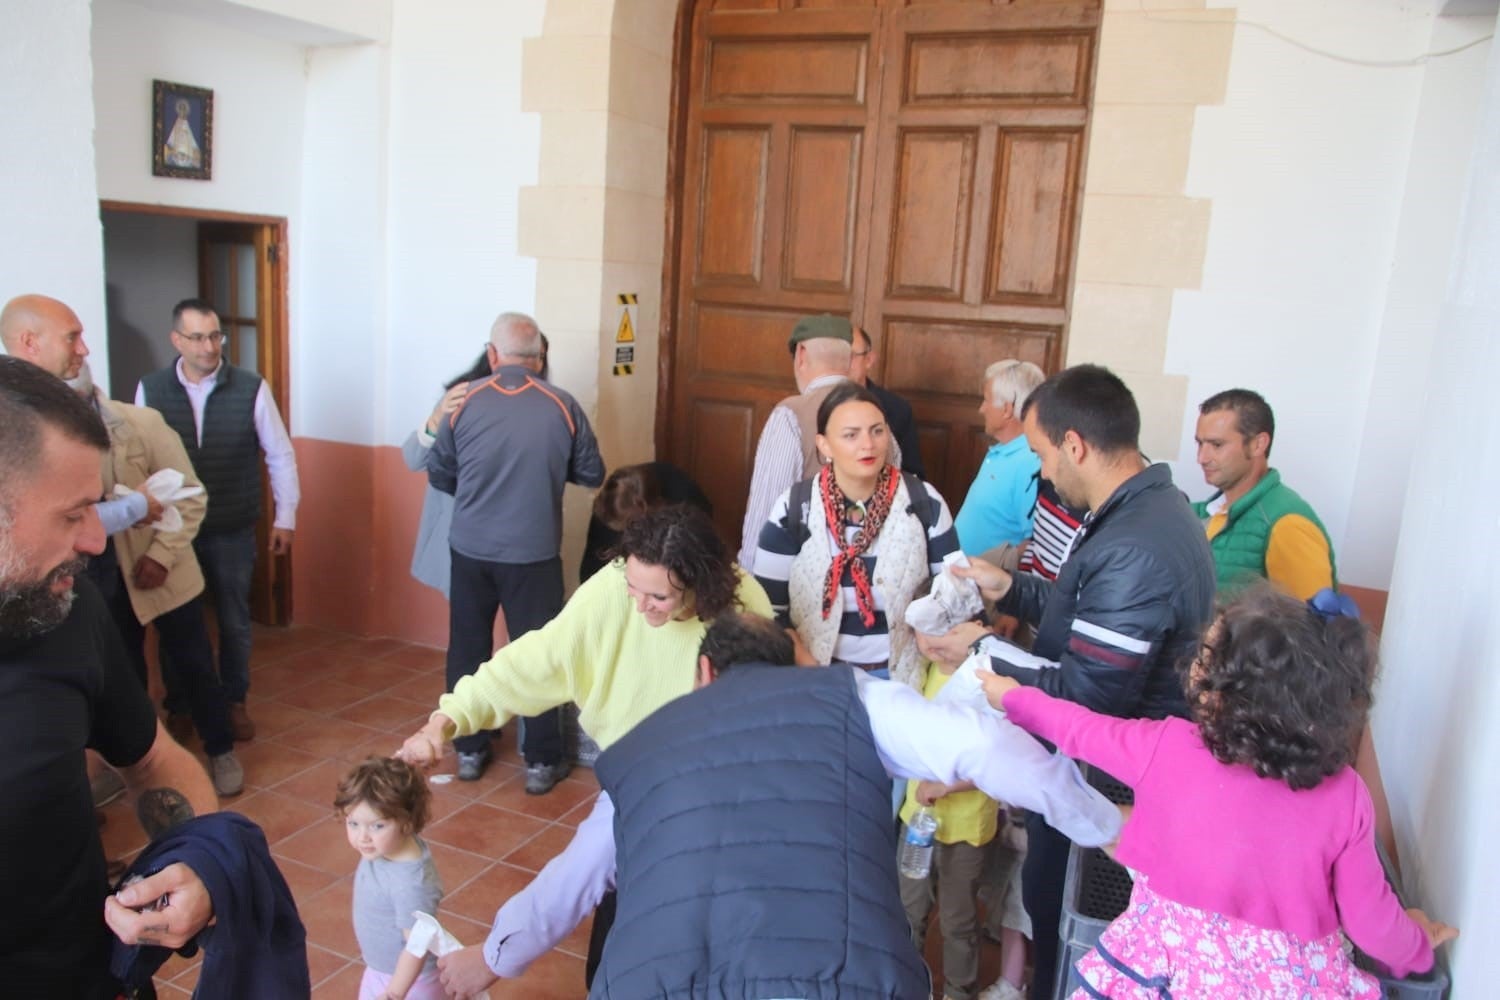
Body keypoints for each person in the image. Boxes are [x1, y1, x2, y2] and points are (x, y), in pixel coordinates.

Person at [436, 613, 1124, 1000]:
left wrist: (491, 958)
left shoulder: (645, 747)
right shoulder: (852, 698)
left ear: (703, 673)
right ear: (795, 665)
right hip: (851, 981)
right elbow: (988, 749)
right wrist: (1112, 831)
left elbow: (572, 879)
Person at [980, 587, 1457, 997]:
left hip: (1162, 975)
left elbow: (1080, 729)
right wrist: (1415, 943)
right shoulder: (1346, 794)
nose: (1194, 672)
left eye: (1207, 661)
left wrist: (1012, 697)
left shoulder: (1166, 745)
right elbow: (1374, 926)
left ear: (1223, 691)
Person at [919, 364, 1216, 1000]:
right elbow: (1090, 611)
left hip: (1107, 774)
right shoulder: (1152, 504)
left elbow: (1090, 695)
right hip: (1116, 762)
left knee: (1060, 923)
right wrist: (1012, 589)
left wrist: (985, 650)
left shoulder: (1136, 545)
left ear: (1075, 444)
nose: (1044, 473)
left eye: (1043, 454)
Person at [396, 504, 773, 992]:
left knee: (680, 932)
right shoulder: (613, 591)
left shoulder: (745, 608)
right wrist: (444, 722)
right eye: (633, 589)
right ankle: (521, 960)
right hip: (635, 778)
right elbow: (533, 660)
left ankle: (497, 957)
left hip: (716, 789)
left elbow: (768, 711)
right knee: (597, 888)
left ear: (702, 583)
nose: (640, 607)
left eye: (658, 597)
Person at [0, 355, 221, 996]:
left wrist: (200, 862)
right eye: (73, 516)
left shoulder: (64, 605)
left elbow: (151, 758)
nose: (96, 542)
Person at [426, 313, 603, 788]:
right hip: (534, 554)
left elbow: (439, 472)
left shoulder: (464, 402)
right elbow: (592, 473)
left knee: (467, 646)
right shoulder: (562, 405)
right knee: (539, 653)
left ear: (492, 354)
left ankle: (467, 749)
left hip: (470, 550)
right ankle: (542, 761)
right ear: (539, 358)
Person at [69, 361, 244, 797]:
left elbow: (190, 494)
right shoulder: (47, 439)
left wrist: (162, 555)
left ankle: (220, 748)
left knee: (195, 664)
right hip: (97, 578)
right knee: (121, 677)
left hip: (163, 570)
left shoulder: (139, 422)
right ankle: (128, 762)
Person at [137, 297, 301, 742]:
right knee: (177, 621)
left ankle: (234, 701)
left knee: (233, 620)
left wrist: (284, 518)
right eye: (198, 337)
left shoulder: (250, 386)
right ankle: (182, 705)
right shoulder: (150, 389)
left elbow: (279, 454)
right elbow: (139, 461)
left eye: (215, 336)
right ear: (176, 340)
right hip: (172, 532)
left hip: (231, 527)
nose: (210, 346)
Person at [753, 380, 960, 691]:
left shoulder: (922, 502)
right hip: (815, 680)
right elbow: (768, 609)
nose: (868, 444)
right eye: (851, 435)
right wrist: (813, 674)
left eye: (877, 431)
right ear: (824, 445)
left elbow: (953, 595)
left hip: (900, 683)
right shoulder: (796, 507)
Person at [0, 294, 163, 537]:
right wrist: (136, 506)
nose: (83, 349)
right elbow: (52, 519)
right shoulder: (15, 416)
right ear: (30, 343)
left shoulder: (46, 406)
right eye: (71, 337)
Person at [403, 337, 551, 597]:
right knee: (467, 625)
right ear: (493, 356)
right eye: (517, 356)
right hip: (463, 531)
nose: (527, 365)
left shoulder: (546, 403)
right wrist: (437, 418)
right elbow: (414, 458)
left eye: (536, 357)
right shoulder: (460, 397)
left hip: (518, 534)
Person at [898, 657, 1002, 1000]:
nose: (932, 645)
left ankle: (959, 991)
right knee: (908, 912)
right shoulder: (918, 670)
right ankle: (907, 986)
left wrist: (945, 787)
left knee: (958, 920)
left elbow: (1000, 758)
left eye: (945, 634)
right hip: (917, 818)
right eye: (925, 635)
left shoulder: (990, 680)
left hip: (967, 825)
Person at [1193, 387, 1336, 600]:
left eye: (1216, 445)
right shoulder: (1209, 511)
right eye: (1200, 443)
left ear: (1258, 444)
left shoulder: (1287, 522)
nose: (1202, 458)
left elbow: (1308, 626)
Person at [738, 313, 854, 570]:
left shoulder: (790, 415)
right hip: (868, 585)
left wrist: (747, 580)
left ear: (801, 354)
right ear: (849, 360)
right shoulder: (880, 420)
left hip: (802, 580)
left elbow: (766, 510)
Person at [335, 757, 446, 1000]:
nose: (362, 837)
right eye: (353, 823)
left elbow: (417, 945)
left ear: (407, 822)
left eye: (377, 826)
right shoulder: (385, 847)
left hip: (409, 983)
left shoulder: (411, 884)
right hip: (381, 970)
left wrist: (395, 993)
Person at [954, 359, 1045, 567]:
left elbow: (1033, 544)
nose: (981, 409)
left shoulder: (1031, 462)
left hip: (988, 591)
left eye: (986, 400)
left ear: (1007, 409)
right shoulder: (1004, 450)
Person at [580, 462, 712, 582]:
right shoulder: (608, 506)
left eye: (627, 526)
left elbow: (697, 565)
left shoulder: (689, 505)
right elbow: (591, 567)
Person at [849, 325, 926, 478]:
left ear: (869, 360)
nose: (842, 363)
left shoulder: (897, 409)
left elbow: (912, 474)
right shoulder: (812, 404)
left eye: (850, 356)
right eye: (836, 356)